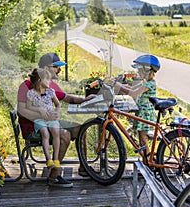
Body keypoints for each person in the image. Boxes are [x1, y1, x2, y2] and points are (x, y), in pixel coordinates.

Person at [17, 52, 96, 187]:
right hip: (34, 126)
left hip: (50, 122)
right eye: (56, 66)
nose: (59, 69)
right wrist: (40, 113)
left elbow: (66, 98)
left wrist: (85, 99)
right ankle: (54, 175)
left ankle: (84, 168)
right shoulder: (26, 86)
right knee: (64, 134)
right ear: (46, 68)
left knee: (81, 128)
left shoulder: (50, 84)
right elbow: (21, 110)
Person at [114, 54, 160, 158]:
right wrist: (120, 83)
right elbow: (132, 87)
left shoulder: (150, 84)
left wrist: (119, 86)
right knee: (141, 138)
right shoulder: (145, 82)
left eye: (139, 70)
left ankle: (148, 161)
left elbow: (133, 93)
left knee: (143, 138)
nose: (138, 72)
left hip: (145, 113)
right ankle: (147, 160)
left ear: (147, 70)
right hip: (141, 112)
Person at [27, 68, 61, 170]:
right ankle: (48, 159)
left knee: (56, 131)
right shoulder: (31, 93)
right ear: (39, 81)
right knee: (45, 133)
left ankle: (56, 159)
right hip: (39, 119)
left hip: (51, 117)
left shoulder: (50, 91)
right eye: (47, 80)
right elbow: (29, 107)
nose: (49, 82)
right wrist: (38, 109)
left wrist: (57, 112)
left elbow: (58, 104)